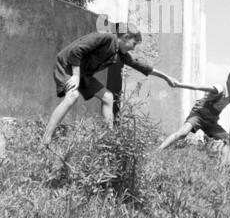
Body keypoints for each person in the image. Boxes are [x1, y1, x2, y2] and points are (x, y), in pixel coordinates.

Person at [43, 23, 176, 146]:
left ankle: (109, 139)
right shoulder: (105, 38)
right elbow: (77, 50)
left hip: (84, 74)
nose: (134, 48)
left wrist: (166, 77)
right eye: (134, 43)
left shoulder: (120, 53)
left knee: (108, 97)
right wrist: (76, 76)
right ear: (126, 37)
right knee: (72, 95)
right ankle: (46, 138)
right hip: (67, 65)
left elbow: (142, 66)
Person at [158, 68, 230, 160]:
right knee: (182, 133)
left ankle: (221, 169)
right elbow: (198, 87)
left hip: (211, 121)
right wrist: (178, 84)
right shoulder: (220, 88)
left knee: (228, 141)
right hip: (198, 115)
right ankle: (158, 151)